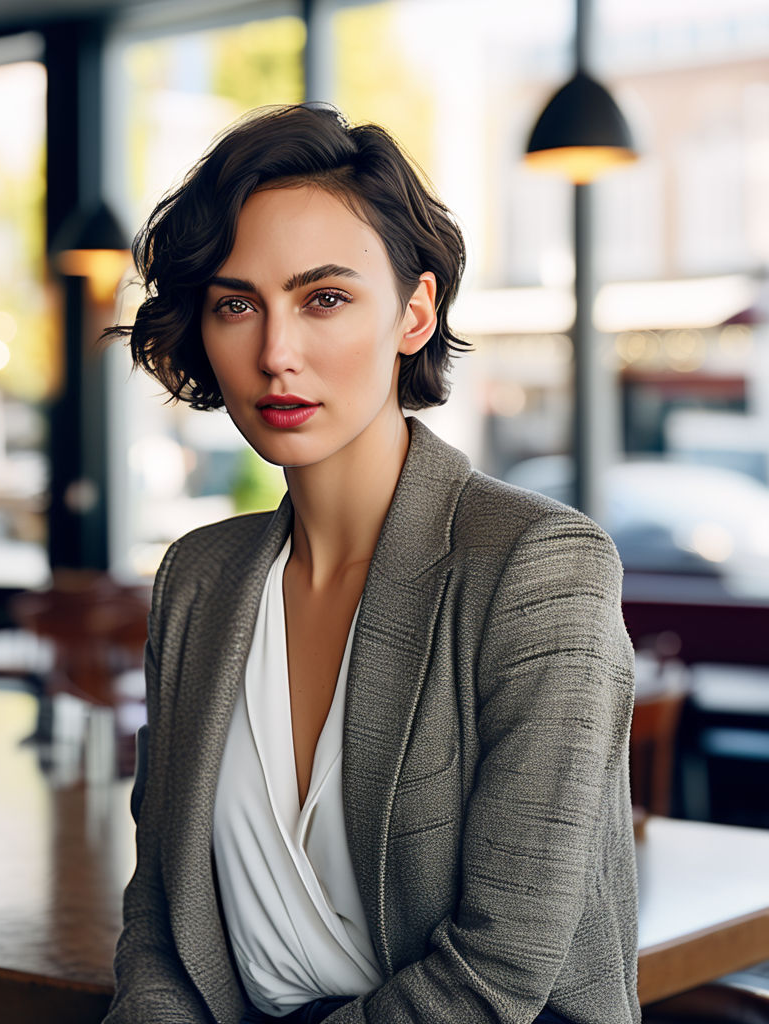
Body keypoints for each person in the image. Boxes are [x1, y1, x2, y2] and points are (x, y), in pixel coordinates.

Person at [101, 103, 639, 1024]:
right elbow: (161, 925)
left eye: (325, 298)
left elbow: (498, 971)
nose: (276, 354)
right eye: (237, 305)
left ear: (415, 312)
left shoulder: (538, 567)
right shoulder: (198, 579)